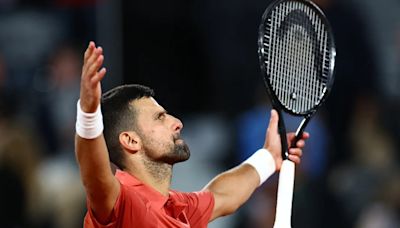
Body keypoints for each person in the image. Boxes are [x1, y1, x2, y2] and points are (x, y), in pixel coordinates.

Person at [75, 41, 309, 227]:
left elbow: (222, 195)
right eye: (160, 117)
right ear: (130, 140)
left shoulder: (178, 210)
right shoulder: (124, 204)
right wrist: (88, 114)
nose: (177, 123)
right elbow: (95, 176)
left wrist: (269, 157)